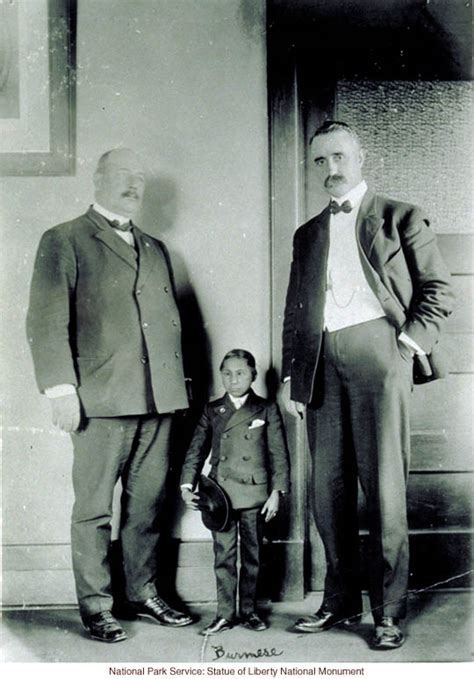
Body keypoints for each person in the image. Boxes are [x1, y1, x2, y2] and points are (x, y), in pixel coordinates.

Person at [281, 121, 454, 650]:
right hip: (319, 366)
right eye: (320, 161)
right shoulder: (307, 233)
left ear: (359, 158)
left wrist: (405, 345)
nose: (330, 170)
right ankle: (337, 602)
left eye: (339, 157)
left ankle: (388, 613)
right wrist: (292, 374)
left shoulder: (399, 217)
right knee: (326, 491)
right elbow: (297, 309)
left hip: (381, 355)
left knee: (384, 490)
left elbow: (437, 290)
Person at [26, 148, 194, 642]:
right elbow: (45, 320)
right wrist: (61, 391)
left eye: (139, 178)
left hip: (159, 401)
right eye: (122, 175)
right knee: (95, 510)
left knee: (149, 505)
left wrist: (177, 392)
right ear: (97, 179)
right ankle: (97, 606)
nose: (133, 184)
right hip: (99, 400)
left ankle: (141, 593)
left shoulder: (156, 247)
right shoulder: (64, 240)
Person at [180, 349, 290, 635]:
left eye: (240, 373)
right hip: (220, 497)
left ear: (253, 374)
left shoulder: (266, 408)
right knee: (223, 557)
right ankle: (224, 614)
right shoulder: (212, 410)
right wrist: (185, 486)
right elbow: (195, 450)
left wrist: (277, 492)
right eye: (227, 373)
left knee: (253, 556)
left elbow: (279, 454)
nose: (233, 379)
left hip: (255, 494)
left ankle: (249, 612)